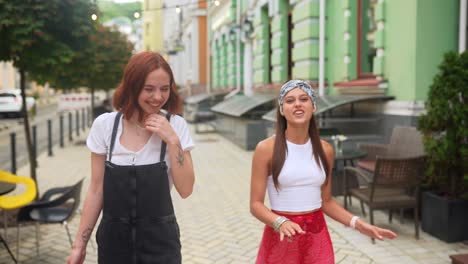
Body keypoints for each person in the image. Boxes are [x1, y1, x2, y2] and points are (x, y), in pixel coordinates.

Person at [67, 52, 195, 264]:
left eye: (164, 89)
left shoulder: (176, 125)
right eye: (148, 89)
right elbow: (97, 190)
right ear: (132, 86)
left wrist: (173, 140)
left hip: (161, 245)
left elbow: (186, 189)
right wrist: (79, 245)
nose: (157, 97)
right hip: (113, 245)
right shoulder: (105, 126)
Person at [250, 80, 397, 263]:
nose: (297, 104)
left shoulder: (325, 149)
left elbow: (326, 201)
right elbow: (255, 205)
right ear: (281, 110)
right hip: (281, 237)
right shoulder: (265, 149)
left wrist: (358, 224)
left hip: (317, 238)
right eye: (289, 100)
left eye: (304, 99)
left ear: (313, 106)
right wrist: (280, 222)